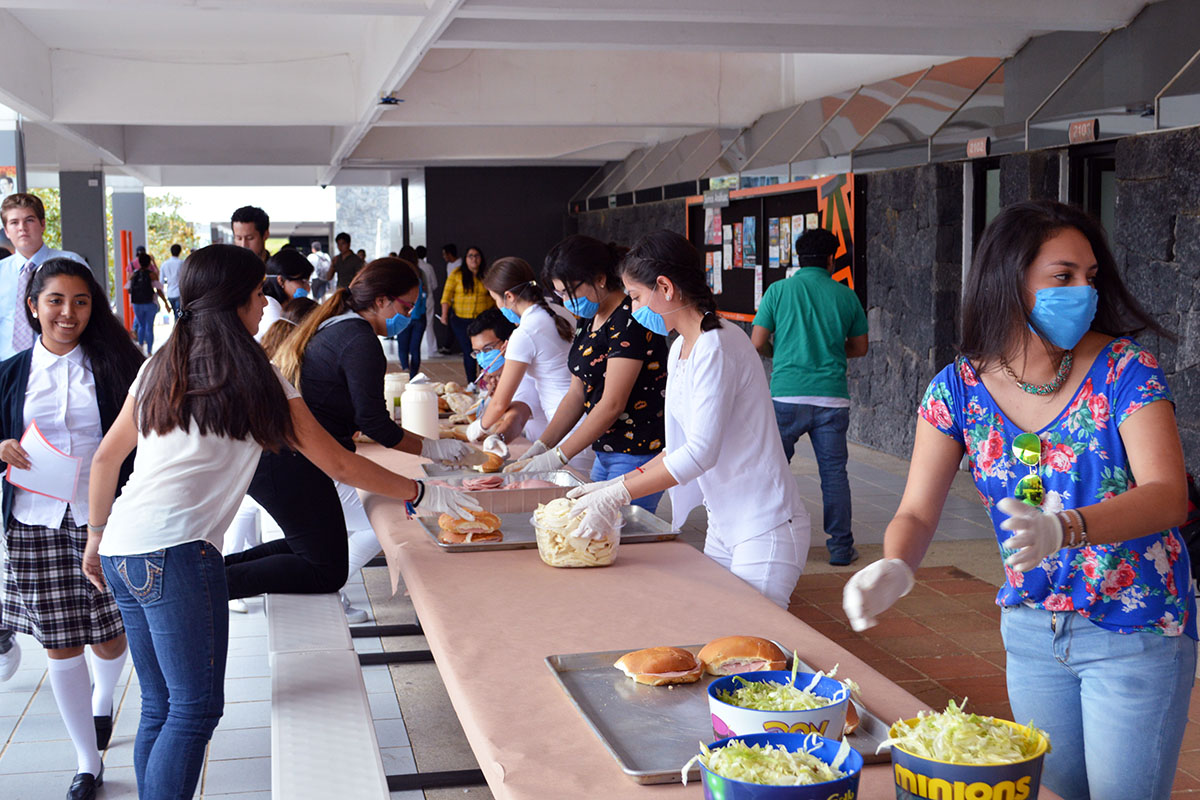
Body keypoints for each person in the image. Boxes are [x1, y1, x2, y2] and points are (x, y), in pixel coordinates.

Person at [82, 244, 478, 800]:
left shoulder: (159, 365)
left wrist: (96, 537)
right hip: (176, 554)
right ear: (246, 303)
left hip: (122, 547)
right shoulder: (258, 376)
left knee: (161, 707)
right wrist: (421, 492)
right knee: (194, 712)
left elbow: (105, 459)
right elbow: (339, 463)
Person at [844, 201, 1196, 800]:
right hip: (1032, 632)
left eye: (1090, 277)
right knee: (1052, 794)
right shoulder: (957, 389)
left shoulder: (1126, 370)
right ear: (1008, 279)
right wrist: (896, 564)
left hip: (1134, 630)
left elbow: (1168, 496)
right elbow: (916, 510)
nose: (1082, 291)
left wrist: (1069, 527)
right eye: (1063, 276)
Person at [568, 231, 810, 608]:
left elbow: (700, 453)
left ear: (664, 286)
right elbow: (676, 450)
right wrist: (610, 486)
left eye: (634, 297)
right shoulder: (680, 345)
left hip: (765, 525)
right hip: (724, 522)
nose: (631, 310)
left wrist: (619, 493)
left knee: (755, 641)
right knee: (716, 630)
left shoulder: (719, 343)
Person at [228, 256, 476, 604]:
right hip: (288, 462)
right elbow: (372, 422)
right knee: (325, 568)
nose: (411, 315)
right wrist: (430, 459)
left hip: (282, 458)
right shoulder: (359, 340)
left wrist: (429, 456)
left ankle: (206, 578)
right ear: (381, 301)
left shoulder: (337, 325)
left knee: (318, 548)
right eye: (407, 306)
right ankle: (205, 586)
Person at [0, 258, 143, 800]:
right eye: (55, 301)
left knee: (110, 637)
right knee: (60, 646)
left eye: (80, 301)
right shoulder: (10, 374)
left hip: (106, 520)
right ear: (33, 307)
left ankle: (104, 698)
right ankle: (87, 762)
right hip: (33, 523)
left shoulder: (116, 366)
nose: (68, 312)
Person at [507, 235, 668, 512]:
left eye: (570, 292)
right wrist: (543, 446)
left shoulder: (630, 319)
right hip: (605, 449)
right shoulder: (588, 319)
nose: (566, 301)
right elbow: (576, 393)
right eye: (559, 294)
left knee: (618, 536)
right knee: (591, 529)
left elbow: (612, 403)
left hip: (636, 450)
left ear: (600, 278)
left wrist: (559, 455)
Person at [0, 193, 86, 678]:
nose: (21, 229)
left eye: (29, 220)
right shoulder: (0, 275)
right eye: (12, 222)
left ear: (41, 223)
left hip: (59, 381)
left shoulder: (65, 264)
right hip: (12, 391)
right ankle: (6, 624)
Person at [751, 228, 868, 566]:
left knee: (771, 468)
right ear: (831, 259)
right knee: (833, 474)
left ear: (798, 259)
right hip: (832, 400)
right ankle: (841, 549)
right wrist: (830, 350)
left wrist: (781, 351)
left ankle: (764, 538)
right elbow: (859, 347)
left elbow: (757, 343)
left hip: (786, 396)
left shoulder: (779, 291)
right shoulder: (846, 296)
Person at [466, 308, 538, 443]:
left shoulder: (526, 373)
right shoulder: (496, 377)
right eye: (477, 352)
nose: (482, 357)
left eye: (488, 349)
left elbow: (517, 415)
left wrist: (497, 438)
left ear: (508, 343)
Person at [440, 245, 496, 384]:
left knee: (485, 351)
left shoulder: (487, 275)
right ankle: (472, 382)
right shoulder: (457, 274)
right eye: (470, 256)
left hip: (484, 322)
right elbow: (446, 296)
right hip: (461, 321)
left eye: (476, 256)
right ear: (465, 259)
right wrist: (444, 314)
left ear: (481, 259)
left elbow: (495, 297)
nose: (474, 259)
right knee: (469, 351)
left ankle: (485, 381)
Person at [393, 245, 427, 377]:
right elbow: (426, 292)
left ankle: (405, 370)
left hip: (402, 316)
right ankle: (413, 376)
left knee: (403, 347)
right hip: (419, 316)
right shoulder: (420, 273)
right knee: (415, 348)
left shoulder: (397, 274)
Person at [125, 252, 170, 354]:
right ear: (149, 263)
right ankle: (149, 351)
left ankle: (141, 348)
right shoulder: (152, 275)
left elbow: (128, 289)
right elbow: (159, 290)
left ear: (139, 263)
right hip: (150, 303)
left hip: (137, 304)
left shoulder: (133, 275)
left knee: (141, 325)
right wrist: (166, 303)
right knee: (149, 327)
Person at [436, 243, 461, 354]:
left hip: (459, 300)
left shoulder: (460, 265)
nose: (444, 257)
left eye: (444, 254)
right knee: (451, 324)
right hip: (451, 299)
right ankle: (448, 346)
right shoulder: (449, 266)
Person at [414, 245, 438, 358]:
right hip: (428, 298)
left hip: (414, 300)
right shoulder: (428, 267)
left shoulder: (413, 267)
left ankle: (412, 349)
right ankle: (432, 349)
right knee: (429, 324)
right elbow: (434, 284)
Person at [159, 244, 185, 319]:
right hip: (179, 292)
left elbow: (161, 282)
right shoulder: (182, 263)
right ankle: (177, 330)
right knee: (179, 316)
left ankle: (176, 329)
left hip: (170, 293)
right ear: (180, 252)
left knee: (175, 315)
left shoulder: (164, 264)